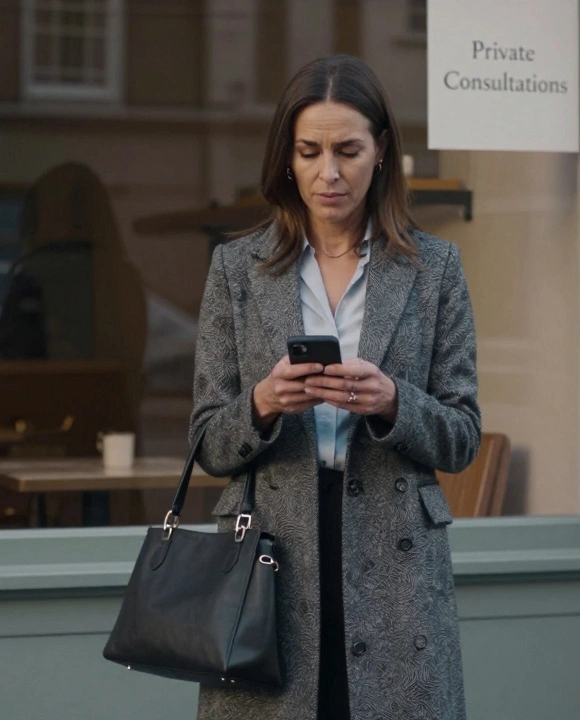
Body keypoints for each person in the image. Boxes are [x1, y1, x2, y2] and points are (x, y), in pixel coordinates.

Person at [189, 55, 481, 720]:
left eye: (348, 150)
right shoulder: (237, 270)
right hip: (269, 554)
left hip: (394, 555)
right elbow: (208, 440)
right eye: (309, 151)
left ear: (380, 152)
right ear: (286, 160)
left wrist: (393, 402)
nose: (329, 172)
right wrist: (263, 405)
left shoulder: (433, 269)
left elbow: (462, 433)